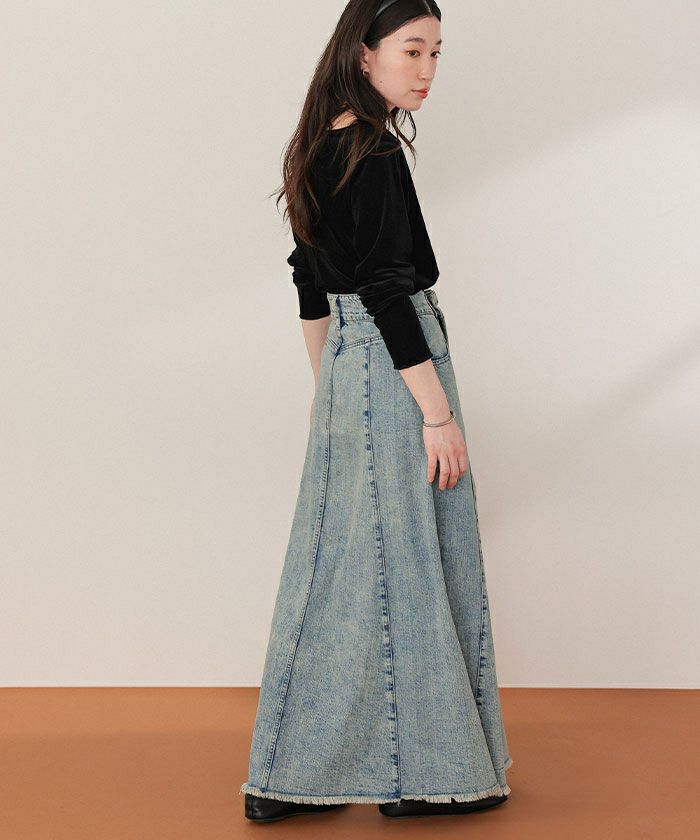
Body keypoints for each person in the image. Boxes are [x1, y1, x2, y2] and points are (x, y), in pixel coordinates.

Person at [241, 0, 513, 822]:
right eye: (412, 50)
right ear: (363, 54)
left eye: (436, 53)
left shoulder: (318, 143)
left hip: (351, 368)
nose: (426, 69)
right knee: (414, 560)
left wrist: (330, 391)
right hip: (398, 369)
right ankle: (423, 774)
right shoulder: (372, 150)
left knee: (339, 565)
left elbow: (310, 284)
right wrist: (435, 415)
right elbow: (388, 291)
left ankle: (292, 774)